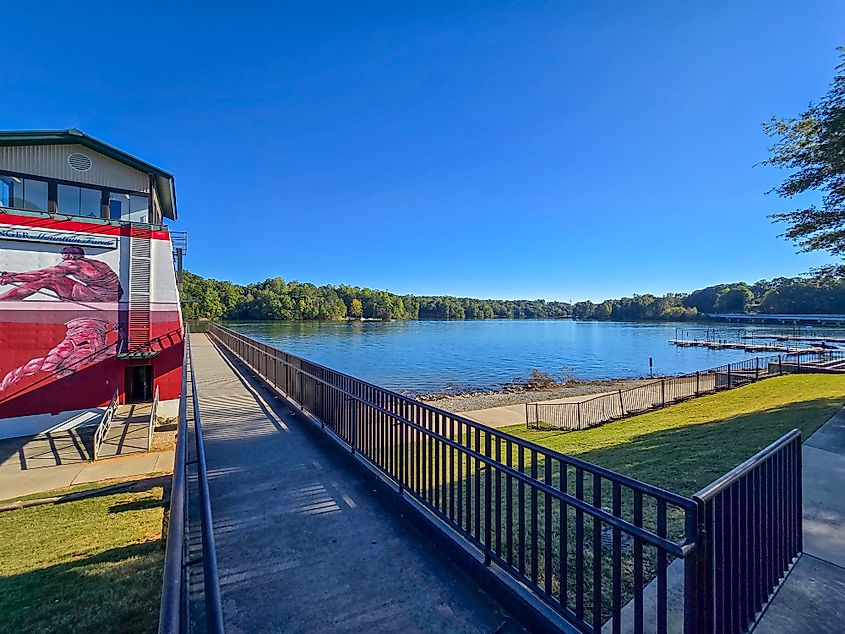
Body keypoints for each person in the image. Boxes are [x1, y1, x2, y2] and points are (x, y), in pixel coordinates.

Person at [0, 318, 118, 393]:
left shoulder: (54, 361)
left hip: (82, 322)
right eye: (67, 375)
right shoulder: (90, 359)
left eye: (62, 376)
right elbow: (111, 350)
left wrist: (3, 385)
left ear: (59, 373)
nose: (65, 374)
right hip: (98, 322)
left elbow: (22, 371)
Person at [0, 246, 123, 302]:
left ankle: (3, 300)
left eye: (64, 257)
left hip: (98, 296)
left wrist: (12, 279)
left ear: (70, 256)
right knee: (51, 277)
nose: (62, 259)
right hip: (113, 296)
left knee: (48, 279)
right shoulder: (97, 263)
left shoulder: (72, 264)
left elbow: (42, 274)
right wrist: (13, 274)